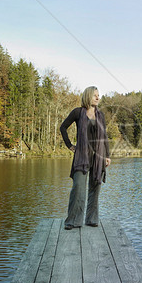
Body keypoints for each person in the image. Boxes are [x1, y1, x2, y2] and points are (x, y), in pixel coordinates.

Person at [59, 86, 111, 229]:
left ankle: (91, 219)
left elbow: (104, 136)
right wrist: (69, 145)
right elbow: (63, 127)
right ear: (88, 96)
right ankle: (72, 221)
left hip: (98, 156)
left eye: (98, 95)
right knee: (78, 188)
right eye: (95, 95)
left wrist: (107, 155)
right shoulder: (78, 112)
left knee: (95, 188)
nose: (97, 98)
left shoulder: (100, 115)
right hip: (82, 155)